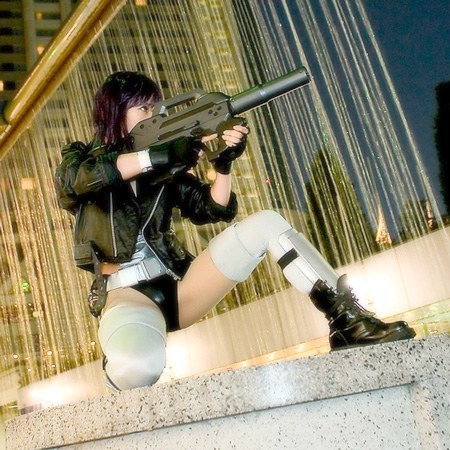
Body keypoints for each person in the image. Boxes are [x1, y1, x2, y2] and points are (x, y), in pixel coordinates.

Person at [55, 71, 415, 391]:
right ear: (115, 112)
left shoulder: (166, 169)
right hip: (126, 294)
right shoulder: (81, 157)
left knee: (267, 224)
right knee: (137, 370)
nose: (154, 115)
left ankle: (348, 323)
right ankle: (118, 361)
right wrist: (156, 157)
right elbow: (75, 182)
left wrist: (222, 164)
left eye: (156, 107)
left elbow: (211, 208)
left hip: (181, 285)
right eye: (143, 108)